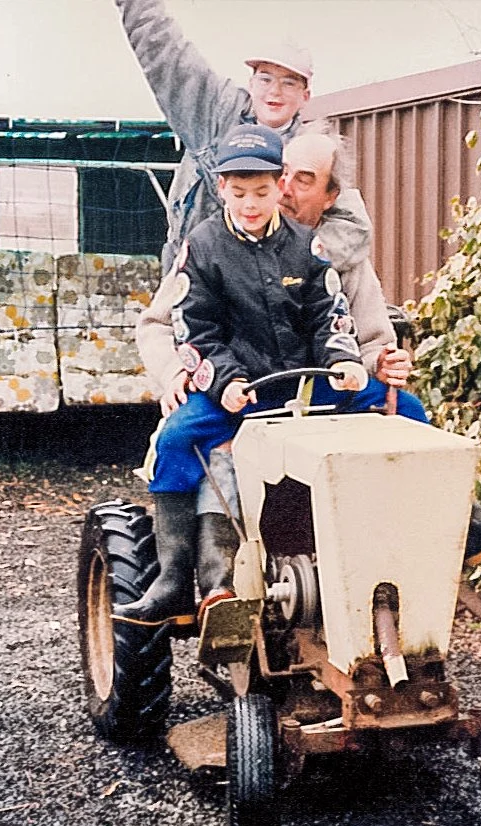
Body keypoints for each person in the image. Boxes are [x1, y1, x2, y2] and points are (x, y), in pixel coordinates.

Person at [114, 125, 378, 629]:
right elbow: (197, 329)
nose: (251, 204)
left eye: (261, 192)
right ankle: (172, 578)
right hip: (239, 391)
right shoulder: (203, 247)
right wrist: (224, 382)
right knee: (175, 438)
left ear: (279, 186)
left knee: (401, 409)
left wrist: (344, 359)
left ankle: (465, 523)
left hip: (305, 387)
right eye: (238, 193)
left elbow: (330, 313)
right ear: (221, 190)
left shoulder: (309, 247)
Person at [112, 0, 370, 273]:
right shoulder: (214, 112)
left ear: (305, 96)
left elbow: (353, 226)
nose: (275, 92)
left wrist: (294, 263)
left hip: (268, 289)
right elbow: (163, 50)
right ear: (250, 83)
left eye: (289, 82)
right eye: (266, 79)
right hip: (192, 275)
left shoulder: (313, 151)